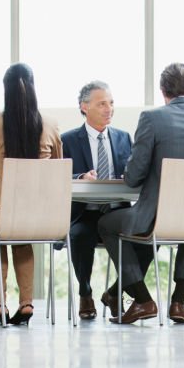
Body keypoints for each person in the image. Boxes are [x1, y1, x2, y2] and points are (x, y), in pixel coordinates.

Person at [98, 62, 184, 325]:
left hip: (156, 217)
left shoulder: (152, 119)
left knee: (106, 224)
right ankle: (178, 303)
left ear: (163, 92)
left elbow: (133, 177)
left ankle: (143, 299)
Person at [0, 63, 61, 325]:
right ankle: (27, 303)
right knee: (22, 242)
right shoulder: (51, 125)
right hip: (38, 213)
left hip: (2, 208)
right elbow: (57, 172)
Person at [61, 82, 133, 320]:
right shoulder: (68, 140)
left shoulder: (124, 138)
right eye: (102, 103)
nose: (109, 109)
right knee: (80, 236)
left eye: (111, 103)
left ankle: (115, 291)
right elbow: (58, 175)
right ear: (84, 106)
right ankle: (85, 292)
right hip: (86, 212)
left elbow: (134, 172)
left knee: (147, 236)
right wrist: (79, 177)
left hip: (117, 211)